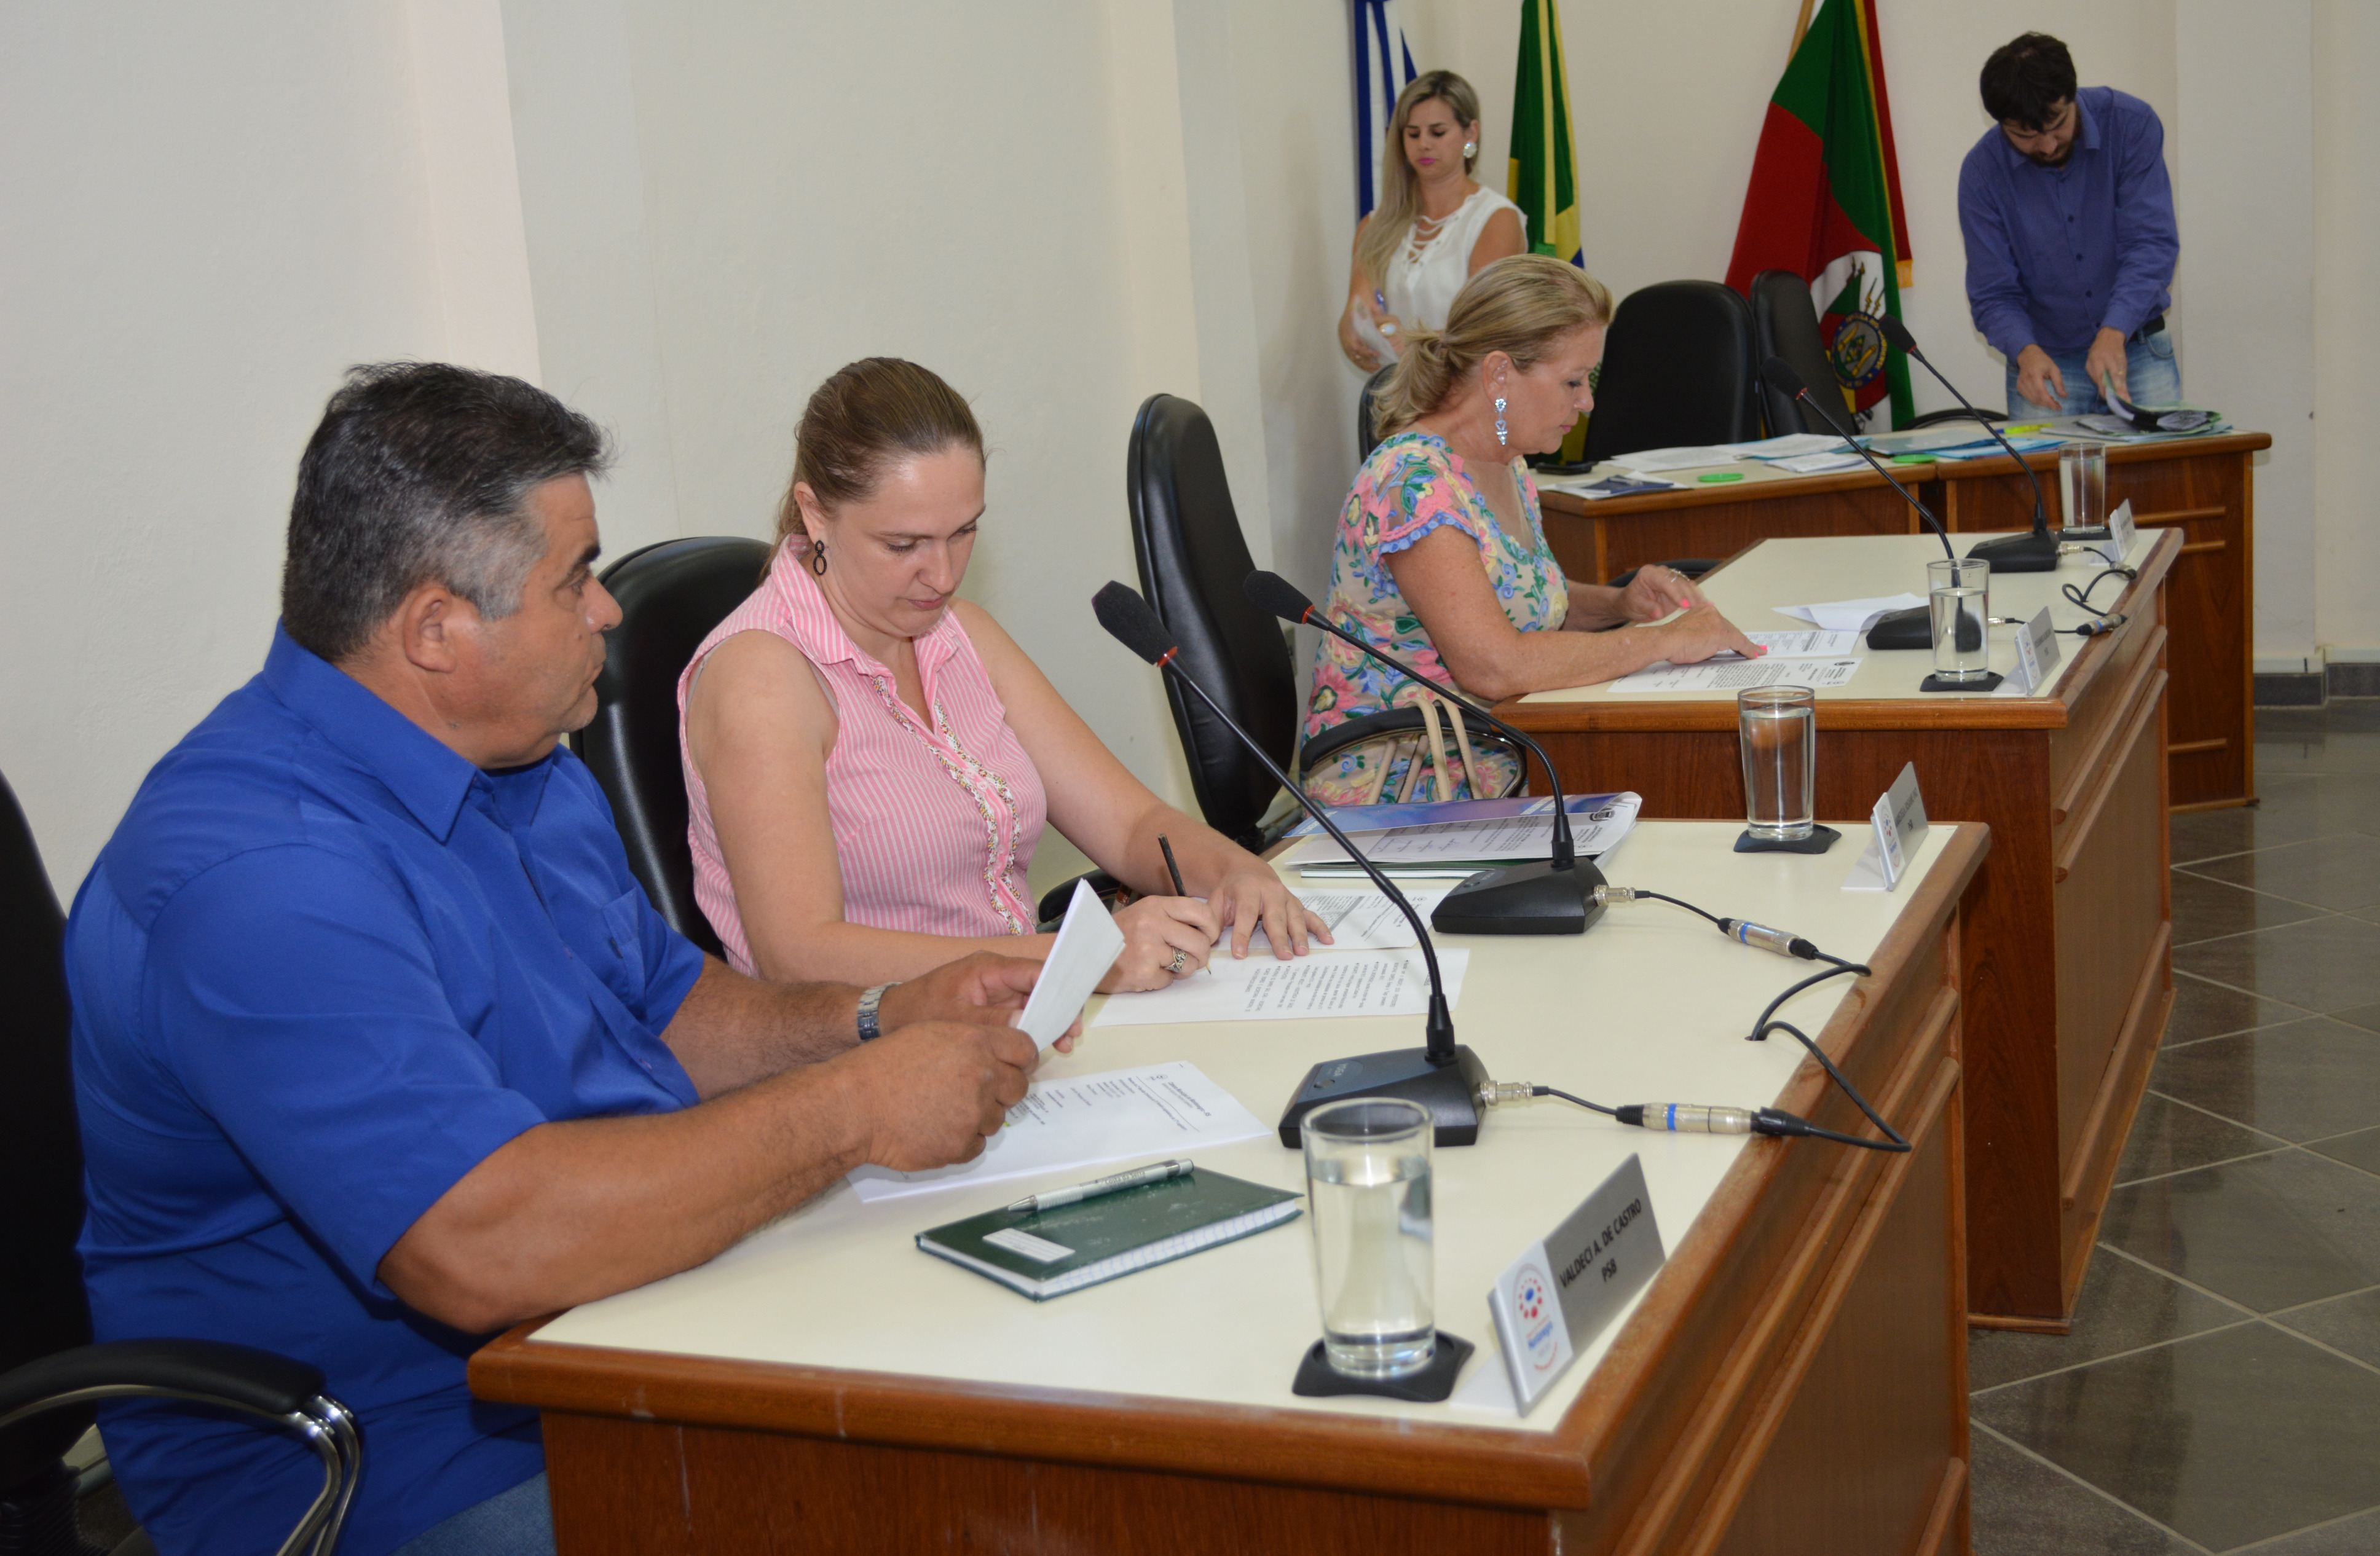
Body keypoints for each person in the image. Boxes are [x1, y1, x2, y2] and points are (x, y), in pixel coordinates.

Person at [66, 364, 1052, 1556]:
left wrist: (878, 1014)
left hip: (618, 1332)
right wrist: (856, 1109)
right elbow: (482, 1247)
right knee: (928, 1510)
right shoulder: (260, 877)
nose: (608, 611)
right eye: (573, 579)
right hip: (397, 1454)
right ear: (436, 630)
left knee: (1023, 1421)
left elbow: (670, 1007)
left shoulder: (520, 759)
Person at [679, 357, 1326, 993]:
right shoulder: (762, 677)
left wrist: (1237, 872)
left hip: (1021, 1010)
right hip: (880, 1043)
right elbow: (800, 955)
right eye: (903, 545)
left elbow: (1131, 826)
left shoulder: (960, 633)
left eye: (964, 532)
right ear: (815, 513)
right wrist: (1074, 958)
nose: (943, 575)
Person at [1306, 256, 1759, 804]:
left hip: (1495, 757)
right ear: (1499, 374)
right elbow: (1494, 666)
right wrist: (1663, 641)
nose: (1587, 403)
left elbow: (1522, 603)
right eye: (1573, 381)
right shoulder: (1413, 483)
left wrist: (1620, 604)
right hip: (1401, 791)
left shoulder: (1507, 462)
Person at [1958, 32, 2181, 416]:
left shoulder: (2130, 125)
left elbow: (2150, 244)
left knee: (2165, 458)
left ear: (2073, 95)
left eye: (2057, 124)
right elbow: (1993, 292)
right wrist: (2025, 352)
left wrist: (2114, 330)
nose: (2047, 146)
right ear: (2001, 123)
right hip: (2044, 363)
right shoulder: (1982, 173)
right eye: (2025, 136)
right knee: (2042, 461)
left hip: (2136, 349)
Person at [1336, 70, 1527, 372]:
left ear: (1471, 133)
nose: (1423, 144)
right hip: (1396, 390)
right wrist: (1354, 332)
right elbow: (1359, 309)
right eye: (1413, 134)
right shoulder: (1375, 224)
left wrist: (1413, 343)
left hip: (1470, 389)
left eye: (1437, 133)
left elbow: (1485, 329)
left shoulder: (1495, 219)